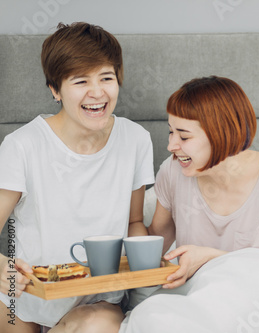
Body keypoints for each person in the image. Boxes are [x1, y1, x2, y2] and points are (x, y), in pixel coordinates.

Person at [0, 22, 154, 333]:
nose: (97, 93)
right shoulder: (22, 145)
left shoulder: (136, 139)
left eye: (107, 78)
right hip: (26, 300)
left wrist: (146, 272)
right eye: (80, 81)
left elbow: (134, 222)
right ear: (55, 90)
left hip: (97, 302)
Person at [147, 76, 259, 291]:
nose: (171, 145)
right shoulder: (172, 171)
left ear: (221, 134)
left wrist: (209, 258)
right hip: (191, 299)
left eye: (184, 137)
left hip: (255, 300)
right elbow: (151, 248)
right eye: (171, 132)